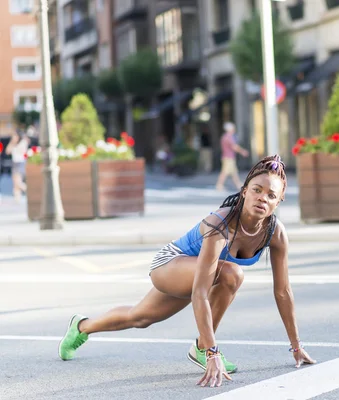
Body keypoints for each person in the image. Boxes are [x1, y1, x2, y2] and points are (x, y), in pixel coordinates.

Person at [58, 154, 316, 388]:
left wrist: (296, 345)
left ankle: (81, 327)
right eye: (257, 190)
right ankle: (203, 349)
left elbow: (283, 292)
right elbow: (201, 293)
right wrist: (212, 351)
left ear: (279, 201)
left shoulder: (275, 233)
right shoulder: (221, 224)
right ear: (244, 190)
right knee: (231, 274)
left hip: (199, 274)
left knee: (140, 317)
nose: (262, 198)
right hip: (170, 264)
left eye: (271, 195)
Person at [215, 122, 249, 192]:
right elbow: (234, 147)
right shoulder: (228, 137)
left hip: (228, 157)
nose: (234, 130)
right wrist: (243, 151)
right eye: (233, 129)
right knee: (225, 172)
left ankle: (238, 184)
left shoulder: (225, 137)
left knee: (234, 172)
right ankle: (219, 185)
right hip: (228, 157)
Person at [5, 131, 30, 203]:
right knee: (15, 182)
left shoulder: (23, 142)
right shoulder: (12, 143)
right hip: (14, 163)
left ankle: (29, 190)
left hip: (20, 163)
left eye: (15, 135)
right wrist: (12, 143)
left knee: (18, 182)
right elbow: (7, 151)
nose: (13, 137)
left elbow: (22, 152)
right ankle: (17, 199)